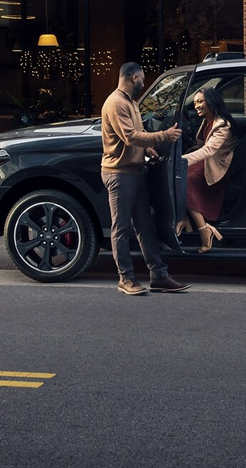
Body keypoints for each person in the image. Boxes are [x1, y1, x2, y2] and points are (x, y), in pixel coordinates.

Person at [101, 61, 190, 296]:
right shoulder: (117, 103)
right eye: (142, 78)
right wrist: (163, 136)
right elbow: (130, 137)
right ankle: (125, 279)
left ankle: (159, 275)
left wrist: (147, 149)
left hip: (135, 171)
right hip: (119, 174)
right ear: (133, 77)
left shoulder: (130, 102)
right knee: (121, 228)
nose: (143, 82)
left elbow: (134, 139)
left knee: (145, 226)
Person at [180, 87, 238, 253]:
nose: (196, 106)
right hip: (207, 162)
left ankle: (204, 229)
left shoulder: (222, 125)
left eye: (200, 101)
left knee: (186, 181)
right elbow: (201, 145)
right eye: (195, 102)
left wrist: (181, 160)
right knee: (178, 177)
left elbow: (209, 150)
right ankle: (183, 218)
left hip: (218, 168)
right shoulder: (207, 120)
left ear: (211, 102)